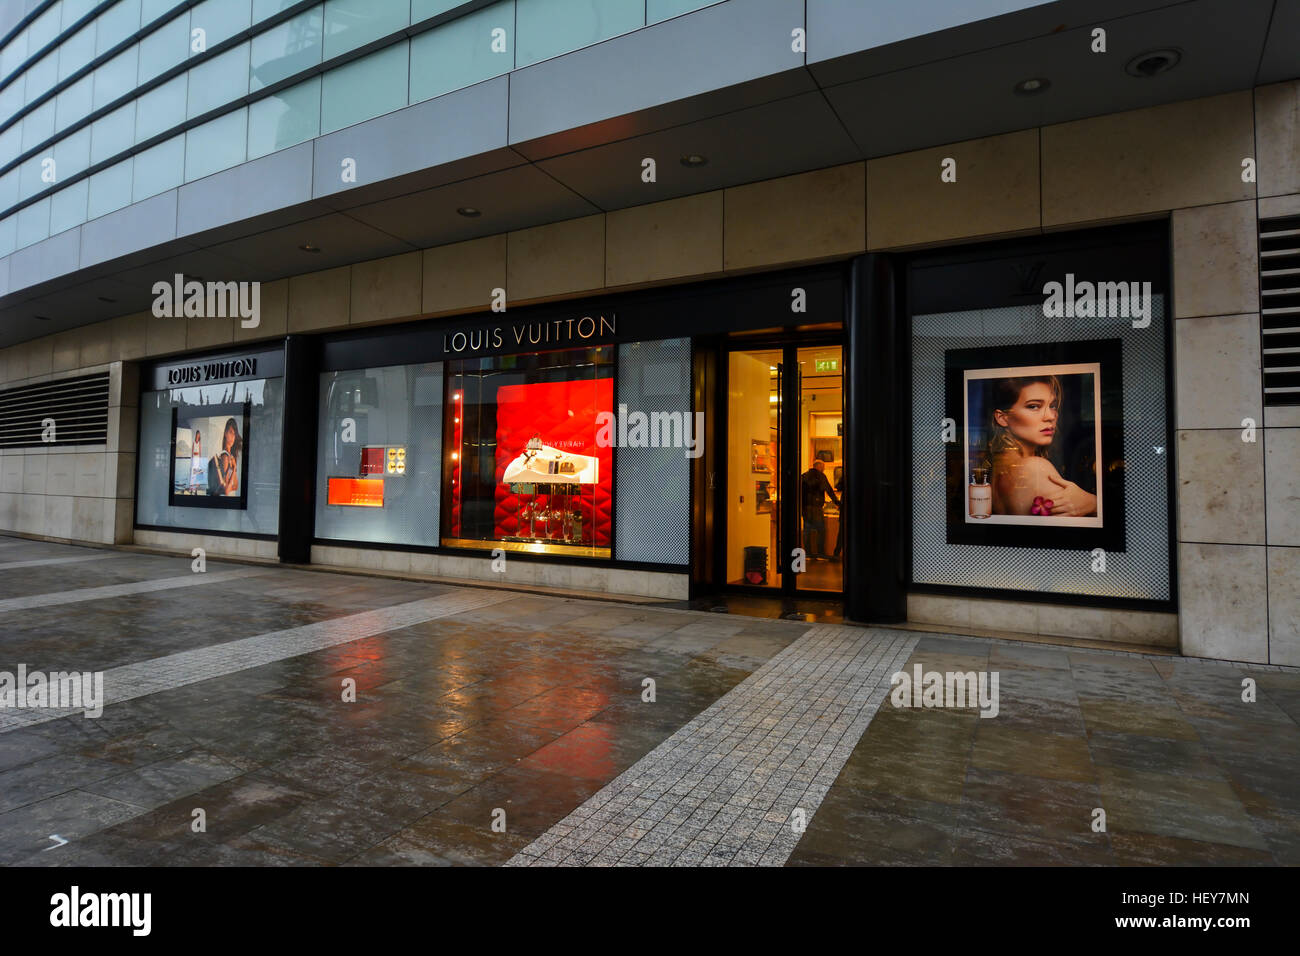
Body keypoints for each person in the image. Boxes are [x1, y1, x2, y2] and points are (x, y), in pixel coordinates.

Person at [985, 376, 1096, 517]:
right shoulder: (1034, 468)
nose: (1050, 416)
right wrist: (1094, 504)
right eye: (1033, 406)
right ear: (1002, 418)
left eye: (1052, 405)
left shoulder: (994, 468)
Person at [800, 459, 840, 560]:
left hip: (805, 507)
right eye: (823, 467)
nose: (824, 469)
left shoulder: (803, 476)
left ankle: (808, 554)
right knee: (821, 530)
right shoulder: (821, 476)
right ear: (819, 466)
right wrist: (837, 502)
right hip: (816, 508)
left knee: (807, 530)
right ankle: (820, 553)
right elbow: (829, 490)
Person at [207, 417, 243, 497]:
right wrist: (234, 469)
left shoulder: (231, 457)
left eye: (234, 434)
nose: (233, 437)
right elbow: (226, 490)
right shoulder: (225, 456)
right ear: (225, 433)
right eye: (230, 432)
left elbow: (236, 486)